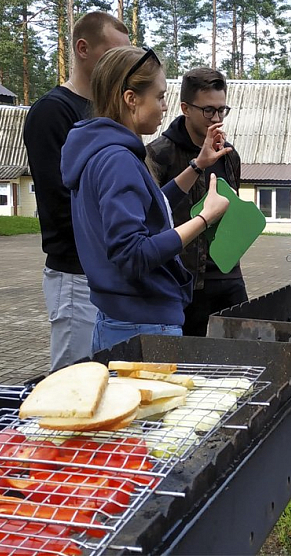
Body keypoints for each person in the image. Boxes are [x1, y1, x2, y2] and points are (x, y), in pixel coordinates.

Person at [60, 46, 231, 354]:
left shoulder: (99, 151)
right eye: (160, 96)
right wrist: (204, 219)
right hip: (143, 326)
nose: (165, 107)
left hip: (121, 321)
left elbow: (150, 207)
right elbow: (133, 254)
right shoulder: (118, 160)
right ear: (131, 99)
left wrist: (196, 167)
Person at [23, 12, 130, 372]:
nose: (121, 65)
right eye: (112, 54)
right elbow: (60, 204)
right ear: (82, 49)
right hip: (76, 276)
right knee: (72, 385)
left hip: (108, 273)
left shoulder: (109, 114)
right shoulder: (52, 113)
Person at [146, 68, 247, 336]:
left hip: (228, 274)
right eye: (208, 110)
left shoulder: (228, 154)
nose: (216, 119)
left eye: (222, 110)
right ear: (185, 108)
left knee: (242, 354)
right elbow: (151, 215)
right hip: (182, 282)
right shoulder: (157, 154)